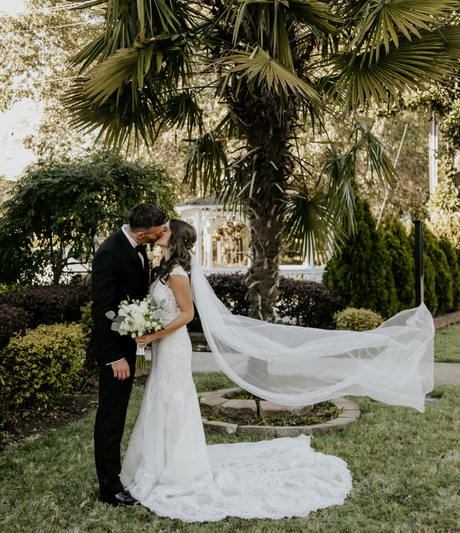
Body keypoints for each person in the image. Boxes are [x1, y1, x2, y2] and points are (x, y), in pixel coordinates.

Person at [120, 218, 434, 522]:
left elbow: (187, 314)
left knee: (173, 399)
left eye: (165, 229)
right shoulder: (164, 268)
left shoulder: (177, 272)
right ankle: (163, 458)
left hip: (173, 346)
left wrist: (153, 334)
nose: (160, 231)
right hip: (164, 345)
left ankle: (176, 465)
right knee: (164, 398)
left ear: (174, 237)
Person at [91, 203, 167, 507]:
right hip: (114, 353)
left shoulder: (138, 246)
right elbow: (102, 308)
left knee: (118, 414)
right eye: (158, 232)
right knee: (110, 417)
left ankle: (114, 477)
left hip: (127, 345)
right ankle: (109, 487)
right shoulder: (109, 252)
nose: (162, 235)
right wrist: (115, 358)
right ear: (141, 234)